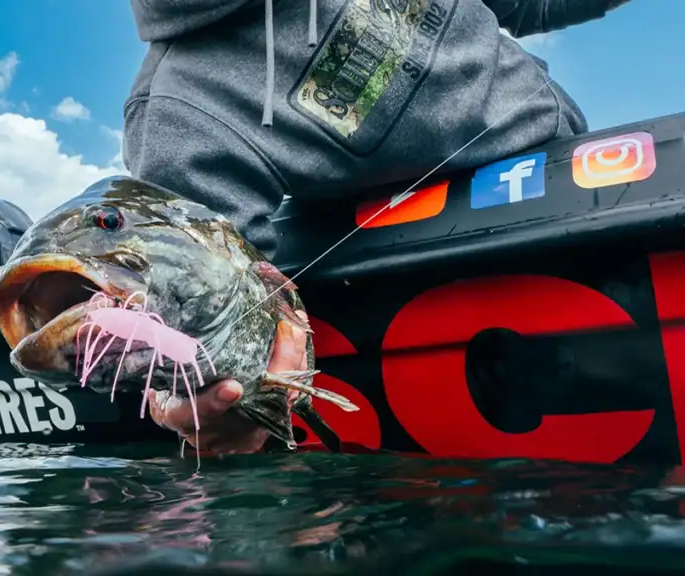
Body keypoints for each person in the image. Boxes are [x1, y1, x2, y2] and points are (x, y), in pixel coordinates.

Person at [126, 0, 633, 453]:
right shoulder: (173, 118)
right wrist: (211, 408)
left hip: (587, 185)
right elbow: (211, 324)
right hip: (457, 296)